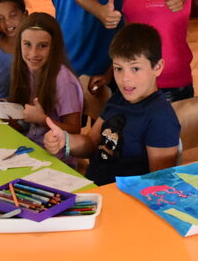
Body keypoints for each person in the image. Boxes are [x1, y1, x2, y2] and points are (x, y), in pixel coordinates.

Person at [41, 23, 179, 185]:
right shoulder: (118, 98)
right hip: (93, 188)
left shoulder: (160, 117)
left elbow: (158, 183)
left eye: (135, 69)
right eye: (118, 69)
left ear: (158, 67)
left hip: (122, 201)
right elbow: (91, 144)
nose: (125, 78)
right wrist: (65, 140)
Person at [7, 13, 84, 167]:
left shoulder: (64, 82)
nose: (33, 54)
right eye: (27, 44)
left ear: (54, 47)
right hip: (33, 148)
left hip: (58, 159)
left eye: (42, 46)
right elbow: (27, 122)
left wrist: (42, 119)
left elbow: (74, 130)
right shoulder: (28, 70)